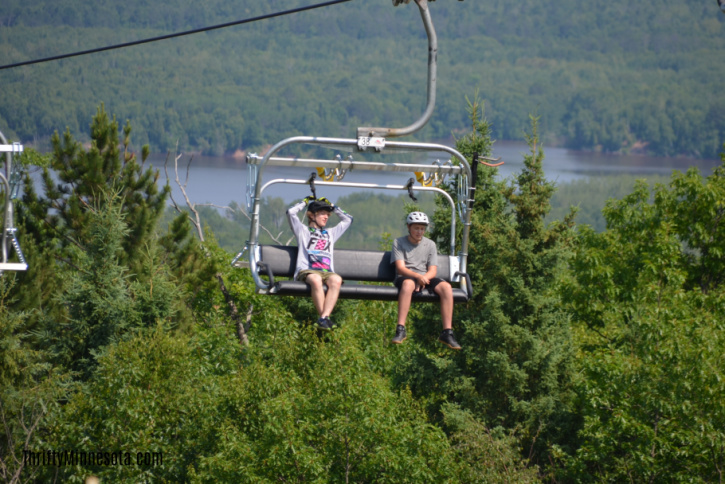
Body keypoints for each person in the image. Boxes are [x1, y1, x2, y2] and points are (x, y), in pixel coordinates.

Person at [390, 211, 461, 350]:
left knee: (446, 287)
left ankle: (447, 332)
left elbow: (432, 270)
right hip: (407, 277)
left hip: (424, 277)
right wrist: (416, 277)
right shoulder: (398, 242)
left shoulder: (430, 245)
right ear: (409, 227)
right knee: (408, 284)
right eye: (416, 228)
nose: (419, 232)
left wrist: (423, 279)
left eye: (422, 228)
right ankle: (400, 328)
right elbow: (400, 268)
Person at [287, 196, 353, 330]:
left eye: (328, 214)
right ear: (311, 216)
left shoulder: (331, 233)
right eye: (323, 213)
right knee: (316, 280)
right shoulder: (302, 231)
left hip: (326, 272)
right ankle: (324, 318)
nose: (326, 217)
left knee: (336, 279)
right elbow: (290, 212)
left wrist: (333, 206)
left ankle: (324, 318)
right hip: (308, 271)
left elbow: (348, 219)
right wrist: (304, 202)